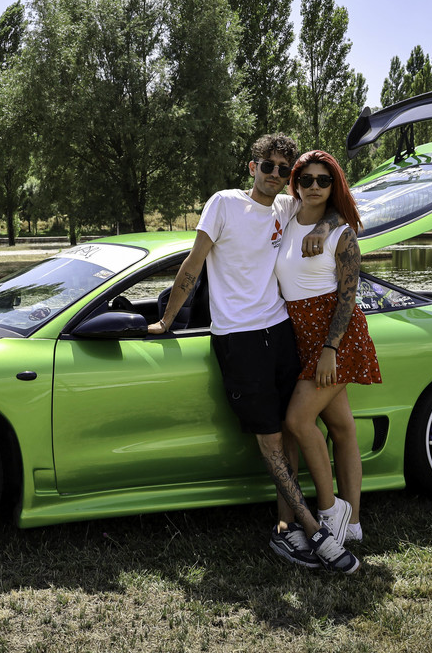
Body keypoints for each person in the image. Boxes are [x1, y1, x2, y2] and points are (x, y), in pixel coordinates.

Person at [148, 133, 360, 575]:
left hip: (281, 331)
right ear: (252, 167)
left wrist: (324, 227)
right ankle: (314, 528)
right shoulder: (224, 204)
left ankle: (288, 525)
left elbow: (335, 206)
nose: (276, 175)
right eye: (269, 166)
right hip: (239, 338)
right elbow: (193, 264)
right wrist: (166, 321)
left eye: (285, 169)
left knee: (290, 431)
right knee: (270, 440)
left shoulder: (287, 206)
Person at [276, 150, 382, 551]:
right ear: (296, 184)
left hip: (336, 338)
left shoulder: (342, 234)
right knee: (341, 427)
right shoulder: (288, 218)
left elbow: (348, 299)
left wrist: (329, 349)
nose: (315, 186)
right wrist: (320, 223)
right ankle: (353, 523)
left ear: (334, 185)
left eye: (324, 180)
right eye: (307, 179)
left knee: (298, 420)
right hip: (301, 337)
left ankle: (330, 509)